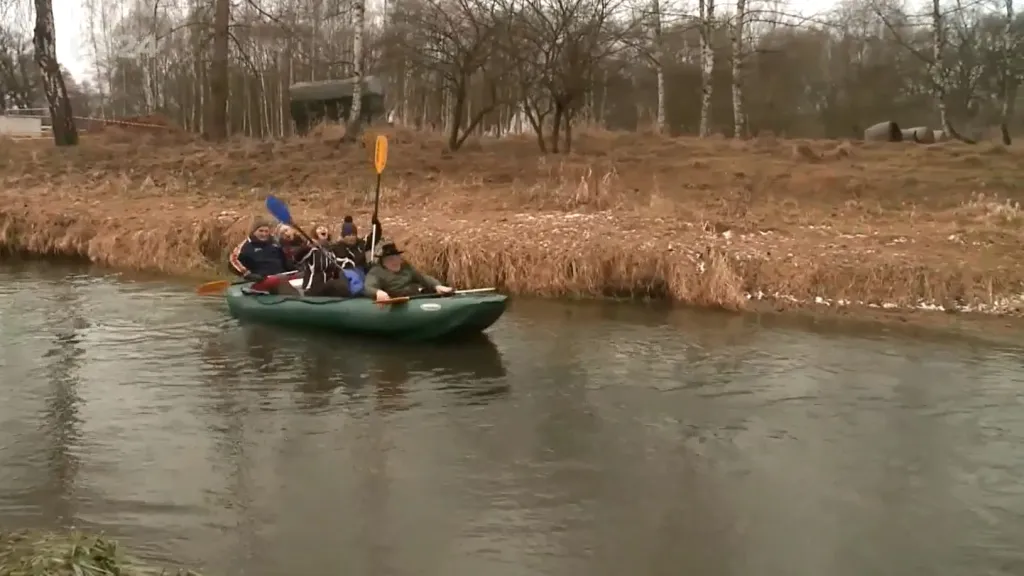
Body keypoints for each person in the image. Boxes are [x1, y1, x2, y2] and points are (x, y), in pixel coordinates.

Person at [363, 239, 454, 302]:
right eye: (390, 259)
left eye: (396, 258)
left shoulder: (405, 267)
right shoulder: (376, 272)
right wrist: (378, 292)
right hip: (398, 299)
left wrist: (436, 285)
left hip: (415, 295)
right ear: (383, 262)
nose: (395, 262)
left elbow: (422, 278)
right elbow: (368, 287)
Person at [228, 220, 299, 295]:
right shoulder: (245, 246)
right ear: (254, 232)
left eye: (266, 231)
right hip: (261, 280)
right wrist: (247, 274)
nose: (264, 234)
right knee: (276, 281)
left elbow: (286, 258)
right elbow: (233, 260)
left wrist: (292, 266)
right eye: (261, 231)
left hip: (281, 277)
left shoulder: (276, 243)